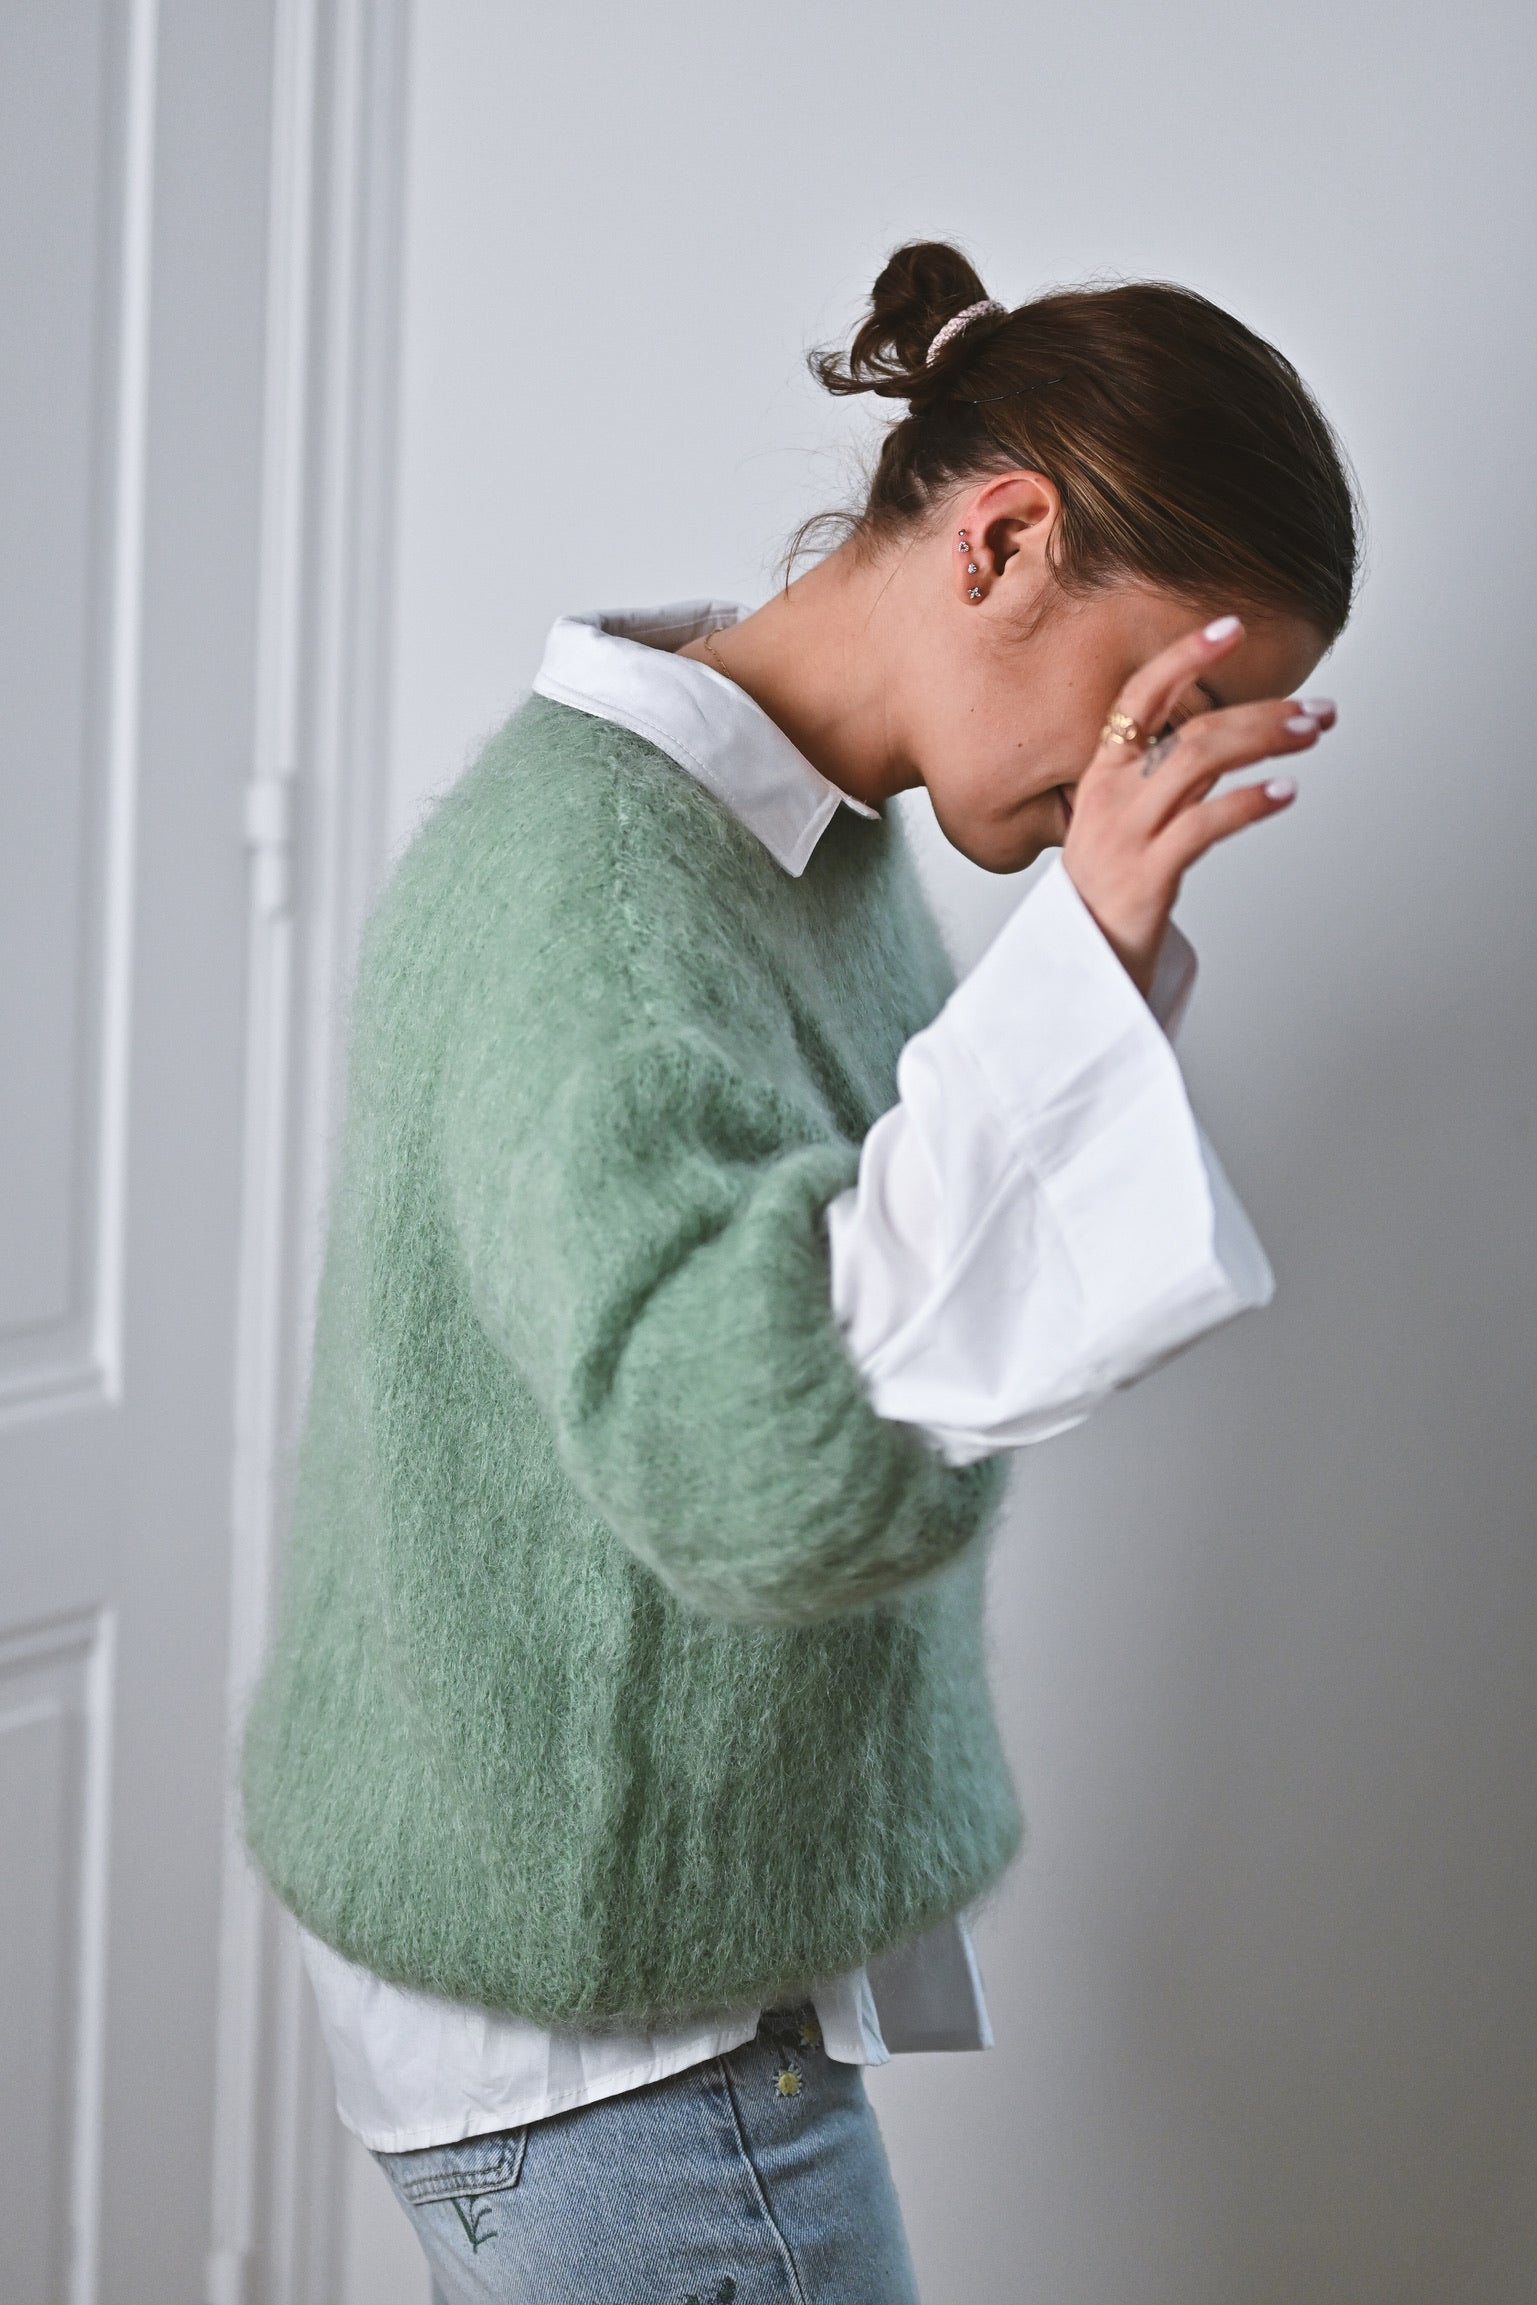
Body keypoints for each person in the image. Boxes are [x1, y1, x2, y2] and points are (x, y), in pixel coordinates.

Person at [241, 241, 1357, 2303]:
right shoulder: (595, 880)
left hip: (643, 2001)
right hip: (621, 2057)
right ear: (1002, 539)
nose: (1155, 777)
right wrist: (1080, 972)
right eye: (1169, 700)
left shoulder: (809, 853)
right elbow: (745, 1449)